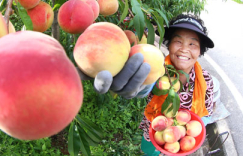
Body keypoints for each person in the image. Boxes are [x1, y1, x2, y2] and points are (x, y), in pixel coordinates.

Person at [78, 13, 215, 155]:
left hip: (185, 141)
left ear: (200, 51)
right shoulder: (157, 66)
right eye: (178, 41)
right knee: (150, 152)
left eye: (192, 44)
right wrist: (141, 88)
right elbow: (147, 83)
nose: (184, 49)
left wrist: (189, 130)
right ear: (169, 44)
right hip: (154, 133)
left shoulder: (205, 80)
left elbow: (207, 113)